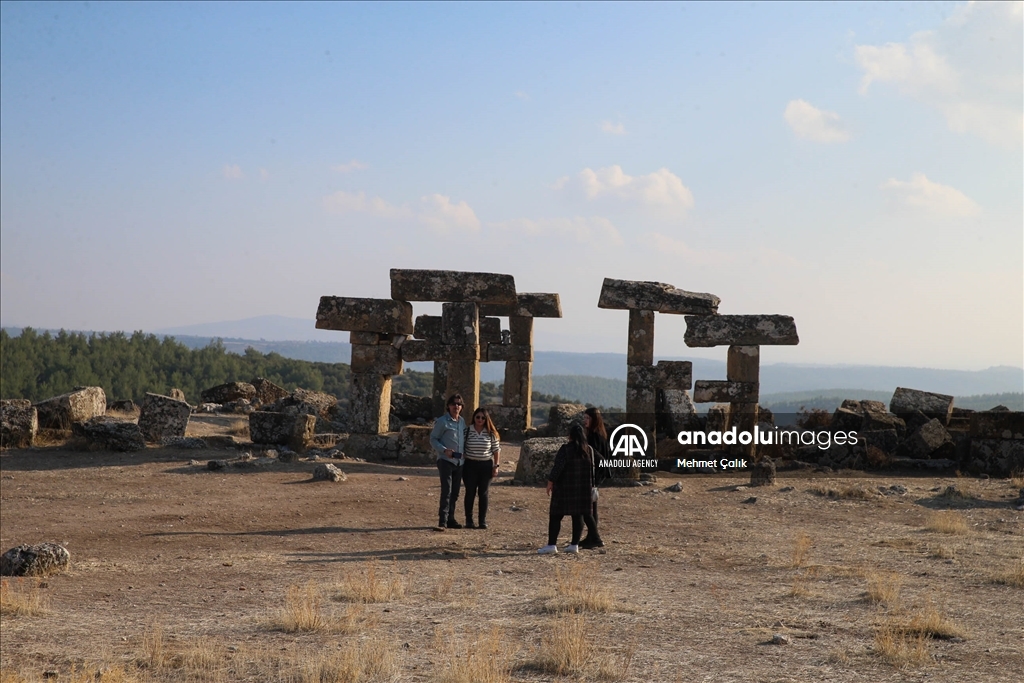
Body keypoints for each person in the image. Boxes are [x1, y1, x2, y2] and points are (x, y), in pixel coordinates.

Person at [538, 424, 600, 554]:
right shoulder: (588, 450)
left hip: (564, 488)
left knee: (555, 516)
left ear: (570, 436)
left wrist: (550, 482)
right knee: (578, 516)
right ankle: (574, 545)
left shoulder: (565, 449)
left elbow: (558, 467)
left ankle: (551, 545)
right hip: (583, 488)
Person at [429, 394, 466, 530]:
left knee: (455, 492)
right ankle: (442, 521)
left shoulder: (462, 422)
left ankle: (451, 518)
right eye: (454, 404)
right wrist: (444, 450)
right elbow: (433, 439)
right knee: (447, 490)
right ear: (449, 406)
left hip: (459, 462)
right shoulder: (442, 421)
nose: (456, 406)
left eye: (459, 404)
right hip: (445, 461)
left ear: (462, 407)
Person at [462, 407, 501, 529]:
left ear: (486, 419)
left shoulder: (491, 433)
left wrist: (496, 466)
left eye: (483, 418)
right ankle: (469, 520)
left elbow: (496, 450)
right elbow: (461, 446)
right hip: (470, 465)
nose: (480, 419)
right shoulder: (467, 431)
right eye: (478, 417)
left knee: (483, 493)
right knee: (470, 492)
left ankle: (482, 521)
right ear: (474, 417)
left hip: (485, 465)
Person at [581, 407, 609, 549]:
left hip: (592, 476)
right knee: (592, 507)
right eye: (584, 418)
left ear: (594, 419)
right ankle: (591, 537)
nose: (584, 421)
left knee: (586, 508)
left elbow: (596, 457)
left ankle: (595, 537)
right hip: (596, 476)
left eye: (587, 418)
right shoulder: (600, 435)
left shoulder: (594, 437)